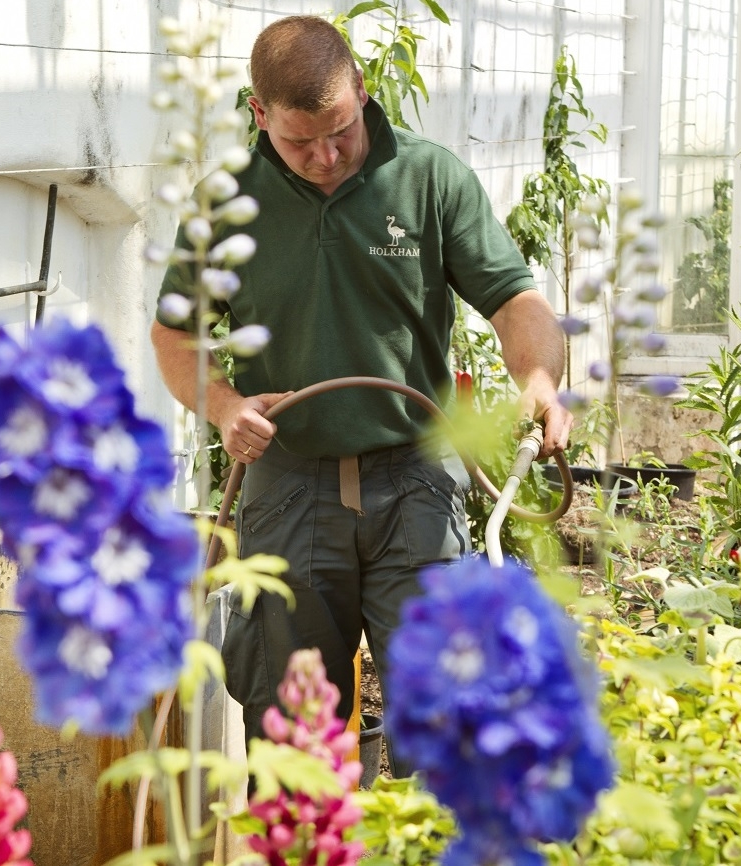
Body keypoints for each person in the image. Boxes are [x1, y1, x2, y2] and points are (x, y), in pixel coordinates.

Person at [151, 14, 572, 778]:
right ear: (257, 115)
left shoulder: (427, 177)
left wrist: (537, 381)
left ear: (362, 94)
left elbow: (516, 302)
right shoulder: (226, 204)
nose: (324, 156)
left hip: (415, 477)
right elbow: (175, 338)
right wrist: (222, 407)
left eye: (339, 131)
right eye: (298, 141)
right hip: (286, 485)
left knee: (444, 706)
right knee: (290, 722)